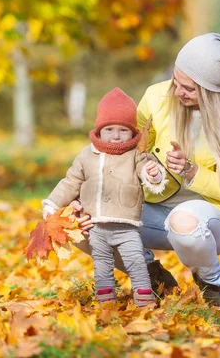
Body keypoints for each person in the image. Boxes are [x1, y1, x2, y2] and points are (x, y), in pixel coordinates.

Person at [71, 33, 220, 310]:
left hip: (213, 217)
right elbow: (121, 153)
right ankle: (152, 277)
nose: (177, 90)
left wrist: (191, 171)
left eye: (188, 88)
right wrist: (84, 195)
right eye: (175, 79)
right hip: (154, 206)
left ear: (210, 90)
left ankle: (211, 286)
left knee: (184, 222)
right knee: (84, 224)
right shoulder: (156, 97)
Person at [41, 87, 168, 307]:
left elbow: (148, 172)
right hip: (96, 226)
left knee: (136, 262)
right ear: (99, 131)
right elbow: (71, 182)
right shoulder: (87, 155)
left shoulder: (136, 155)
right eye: (109, 129)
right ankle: (106, 301)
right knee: (101, 265)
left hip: (126, 226)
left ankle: (144, 299)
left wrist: (153, 174)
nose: (116, 135)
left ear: (132, 132)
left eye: (123, 130)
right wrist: (52, 204)